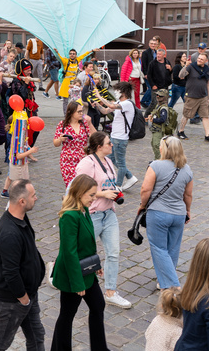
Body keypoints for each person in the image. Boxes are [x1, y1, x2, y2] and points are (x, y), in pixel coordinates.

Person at [0, 180, 46, 351]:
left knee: (37, 335)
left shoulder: (21, 218)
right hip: (13, 301)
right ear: (22, 201)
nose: (36, 198)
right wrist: (23, 299)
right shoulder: (9, 233)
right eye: (33, 196)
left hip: (28, 294)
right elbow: (10, 272)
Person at [75, 131, 132, 310]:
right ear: (99, 146)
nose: (112, 145)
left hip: (109, 213)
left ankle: (111, 292)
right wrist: (102, 193)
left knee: (113, 252)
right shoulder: (87, 163)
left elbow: (108, 182)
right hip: (92, 215)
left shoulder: (108, 161)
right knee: (79, 250)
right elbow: (77, 188)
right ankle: (58, 270)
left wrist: (114, 192)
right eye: (109, 143)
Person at [51, 174, 107, 351]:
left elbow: (87, 242)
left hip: (85, 271)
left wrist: (95, 265)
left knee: (98, 305)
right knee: (67, 315)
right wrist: (77, 283)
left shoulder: (83, 210)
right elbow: (69, 253)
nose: (94, 198)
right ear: (80, 193)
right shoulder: (69, 216)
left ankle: (99, 348)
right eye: (91, 195)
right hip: (72, 276)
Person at [139, 136, 193, 290]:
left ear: (165, 149)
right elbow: (188, 195)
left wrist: (142, 205)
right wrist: (188, 210)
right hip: (178, 214)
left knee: (158, 247)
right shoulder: (187, 169)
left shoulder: (156, 165)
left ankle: (171, 285)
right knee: (173, 248)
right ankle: (163, 280)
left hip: (158, 213)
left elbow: (145, 189)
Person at [92, 81, 139, 189]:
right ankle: (130, 177)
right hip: (114, 136)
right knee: (110, 159)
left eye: (117, 91)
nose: (115, 92)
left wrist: (99, 96)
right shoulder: (119, 102)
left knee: (120, 163)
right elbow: (105, 110)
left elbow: (110, 105)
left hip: (121, 138)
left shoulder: (127, 104)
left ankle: (118, 186)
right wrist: (97, 104)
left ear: (123, 92)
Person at [176, 53, 209, 142]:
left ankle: (207, 135)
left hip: (203, 97)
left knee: (205, 116)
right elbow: (181, 76)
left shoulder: (207, 70)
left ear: (206, 61)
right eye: (198, 58)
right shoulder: (191, 67)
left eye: (201, 59)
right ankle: (180, 131)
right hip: (191, 96)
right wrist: (185, 66)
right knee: (186, 115)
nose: (199, 60)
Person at [53, 100, 94, 187]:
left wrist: (90, 123)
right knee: (71, 187)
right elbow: (56, 143)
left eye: (82, 111)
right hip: (67, 161)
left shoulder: (84, 123)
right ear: (71, 112)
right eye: (79, 112)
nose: (81, 113)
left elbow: (95, 136)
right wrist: (60, 139)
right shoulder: (62, 124)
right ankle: (69, 200)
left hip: (83, 160)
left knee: (83, 187)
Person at [140, 37, 162, 107]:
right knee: (151, 88)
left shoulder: (156, 52)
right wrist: (145, 73)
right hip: (148, 74)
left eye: (154, 44)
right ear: (149, 44)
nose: (153, 45)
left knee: (154, 89)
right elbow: (144, 64)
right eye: (152, 44)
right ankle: (143, 101)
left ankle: (149, 103)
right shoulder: (146, 53)